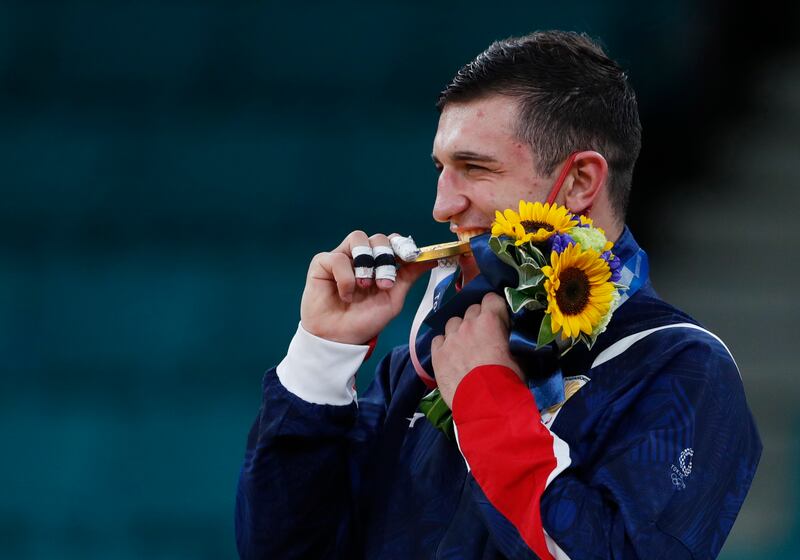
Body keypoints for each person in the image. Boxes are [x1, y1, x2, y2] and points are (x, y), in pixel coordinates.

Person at [235, 31, 761, 560]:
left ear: (579, 181)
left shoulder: (678, 368)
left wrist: (486, 400)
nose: (442, 205)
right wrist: (322, 356)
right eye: (441, 169)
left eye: (476, 167)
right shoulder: (422, 365)